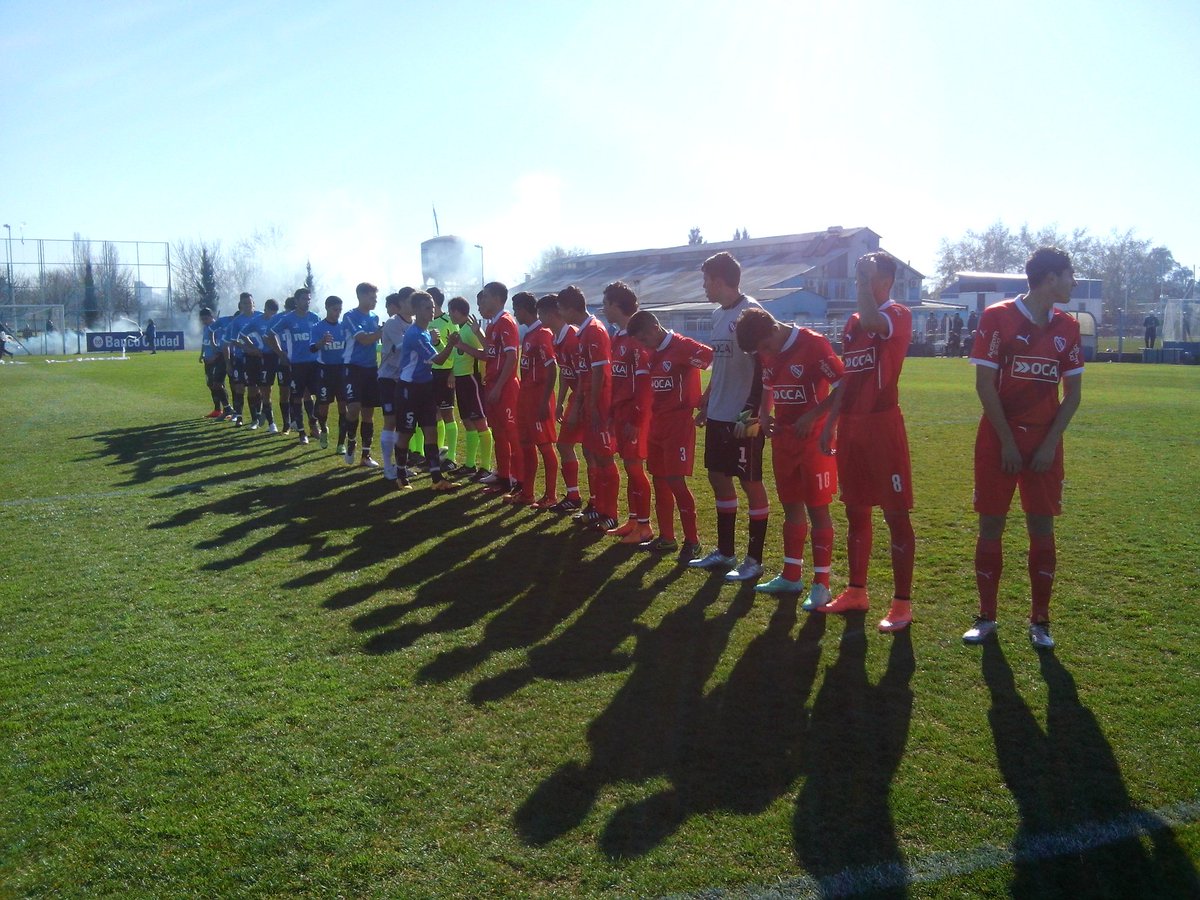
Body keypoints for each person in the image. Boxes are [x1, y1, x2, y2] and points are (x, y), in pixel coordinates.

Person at [963, 247, 1084, 650]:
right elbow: (984, 385)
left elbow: (1073, 394)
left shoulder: (1068, 326)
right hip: (999, 440)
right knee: (991, 525)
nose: (1074, 282)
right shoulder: (997, 317)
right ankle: (986, 617)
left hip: (1044, 446)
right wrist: (1009, 442)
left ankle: (1040, 621)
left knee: (1042, 527)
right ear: (1051, 278)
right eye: (1070, 275)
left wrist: (1049, 443)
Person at [817, 252, 915, 633]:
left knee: (895, 514)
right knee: (856, 510)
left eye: (867, 275)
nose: (860, 280)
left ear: (885, 281)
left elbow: (875, 320)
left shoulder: (896, 313)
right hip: (853, 428)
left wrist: (861, 282)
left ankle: (901, 604)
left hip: (883, 426)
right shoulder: (853, 323)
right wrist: (831, 423)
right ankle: (857, 591)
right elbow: (849, 378)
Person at [736, 306, 843, 608]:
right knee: (791, 507)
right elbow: (768, 388)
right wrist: (764, 415)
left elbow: (843, 385)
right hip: (783, 440)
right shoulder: (767, 350)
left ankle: (821, 584)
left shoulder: (814, 343)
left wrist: (814, 415)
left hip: (813, 441)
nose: (764, 353)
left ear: (773, 328)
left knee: (818, 509)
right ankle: (791, 574)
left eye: (765, 346)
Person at [687, 251, 770, 583]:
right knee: (718, 478)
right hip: (719, 413)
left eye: (706, 280)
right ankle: (725, 551)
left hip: (743, 416)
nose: (704, 286)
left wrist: (749, 416)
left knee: (751, 483)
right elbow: (720, 366)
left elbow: (766, 370)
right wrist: (707, 401)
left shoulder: (753, 314)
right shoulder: (716, 315)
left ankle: (755, 559)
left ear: (719, 281)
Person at [627, 310, 712, 559]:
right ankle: (667, 537)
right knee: (660, 479)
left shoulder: (682, 346)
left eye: (644, 339)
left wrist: (705, 400)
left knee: (676, 480)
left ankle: (693, 541)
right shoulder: (651, 354)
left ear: (655, 328)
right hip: (657, 423)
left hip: (678, 423)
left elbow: (716, 361)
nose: (643, 345)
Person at [558, 284, 619, 530]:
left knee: (604, 457)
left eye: (561, 309)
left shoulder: (594, 330)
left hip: (600, 404)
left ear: (571, 308)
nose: (561, 315)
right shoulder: (582, 332)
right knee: (593, 455)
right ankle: (599, 508)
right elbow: (584, 373)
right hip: (589, 402)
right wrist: (581, 402)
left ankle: (611, 513)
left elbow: (599, 373)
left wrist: (593, 405)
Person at [457, 282, 524, 497]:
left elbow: (512, 357)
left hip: (504, 387)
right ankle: (503, 475)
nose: (481, 301)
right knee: (499, 432)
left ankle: (518, 479)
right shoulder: (492, 325)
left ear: (496, 298)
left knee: (512, 434)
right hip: (493, 385)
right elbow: (489, 354)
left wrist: (500, 387)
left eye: (484, 297)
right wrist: (477, 335)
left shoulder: (505, 322)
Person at [602, 281, 654, 544]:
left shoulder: (639, 338)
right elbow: (617, 378)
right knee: (628, 465)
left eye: (605, 304)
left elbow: (644, 384)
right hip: (621, 411)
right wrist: (612, 412)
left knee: (635, 469)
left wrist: (636, 417)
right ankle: (633, 520)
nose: (603, 309)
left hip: (635, 414)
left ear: (615, 305)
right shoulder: (618, 336)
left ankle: (644, 526)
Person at [392, 291, 460, 491]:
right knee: (405, 432)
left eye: (432, 307)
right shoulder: (415, 334)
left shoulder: (423, 333)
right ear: (415, 310)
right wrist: (451, 343)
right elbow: (438, 359)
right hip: (409, 389)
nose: (430, 312)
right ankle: (401, 475)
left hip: (425, 387)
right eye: (425, 308)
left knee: (430, 430)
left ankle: (437, 479)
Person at [503, 293, 560, 506]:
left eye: (516, 309)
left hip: (538, 398)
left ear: (525, 309)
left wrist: (545, 401)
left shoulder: (543, 333)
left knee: (545, 446)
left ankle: (551, 495)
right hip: (525, 397)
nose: (515, 313)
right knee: (526, 444)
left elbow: (552, 368)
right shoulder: (528, 334)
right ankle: (527, 493)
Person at [537, 294, 584, 512]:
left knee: (591, 453)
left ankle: (593, 502)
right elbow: (567, 373)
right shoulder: (556, 338)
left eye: (541, 313)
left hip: (587, 395)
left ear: (552, 313)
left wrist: (576, 405)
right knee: (565, 445)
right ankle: (574, 496)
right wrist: (561, 401)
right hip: (577, 395)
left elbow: (585, 374)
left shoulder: (572, 336)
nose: (539, 318)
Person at [446, 295, 493, 480]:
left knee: (480, 422)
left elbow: (485, 354)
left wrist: (463, 345)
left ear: (457, 311)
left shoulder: (471, 329)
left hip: (472, 380)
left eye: (451, 311)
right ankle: (470, 464)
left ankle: (486, 466)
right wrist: (453, 373)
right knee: (467, 421)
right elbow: (459, 356)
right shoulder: (460, 329)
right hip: (461, 380)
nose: (450, 314)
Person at [268, 287, 322, 445]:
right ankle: (301, 432)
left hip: (314, 362)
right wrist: (280, 353)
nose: (307, 302)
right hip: (297, 364)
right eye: (304, 299)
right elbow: (271, 334)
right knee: (299, 396)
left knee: (320, 395)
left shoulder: (315, 317)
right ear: (297, 301)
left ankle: (313, 421)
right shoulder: (288, 319)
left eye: (309, 299)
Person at [340, 282, 384, 467]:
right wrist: (382, 331)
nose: (375, 300)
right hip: (353, 367)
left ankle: (366, 455)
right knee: (354, 408)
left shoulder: (375, 317)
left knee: (368, 412)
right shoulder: (350, 316)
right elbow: (364, 340)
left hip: (371, 369)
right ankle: (351, 442)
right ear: (361, 296)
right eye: (372, 297)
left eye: (376, 297)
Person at [427, 286, 459, 470]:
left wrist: (453, 373)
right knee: (433, 414)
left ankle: (451, 458)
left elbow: (455, 348)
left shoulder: (448, 321)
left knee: (447, 413)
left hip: (445, 372)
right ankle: (437, 453)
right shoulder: (423, 322)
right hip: (429, 372)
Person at [310, 296, 348, 450]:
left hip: (342, 371)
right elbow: (312, 348)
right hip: (325, 371)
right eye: (335, 310)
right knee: (323, 407)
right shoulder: (318, 327)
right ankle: (324, 428)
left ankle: (341, 443)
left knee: (343, 407)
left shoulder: (344, 326)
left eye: (340, 310)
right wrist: (321, 342)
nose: (337, 313)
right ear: (327, 308)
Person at [241, 298, 280, 432]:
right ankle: (257, 420)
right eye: (271, 312)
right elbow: (242, 335)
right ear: (265, 309)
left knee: (267, 390)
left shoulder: (278, 320)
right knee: (255, 389)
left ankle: (269, 419)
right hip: (258, 358)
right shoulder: (256, 321)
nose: (273, 316)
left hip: (274, 358)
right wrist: (253, 347)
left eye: (275, 313)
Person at [222, 293, 257, 426]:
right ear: (240, 305)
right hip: (240, 358)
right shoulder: (236, 321)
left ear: (253, 303)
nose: (247, 305)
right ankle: (239, 416)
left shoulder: (260, 316)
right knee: (240, 388)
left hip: (257, 358)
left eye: (249, 303)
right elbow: (231, 341)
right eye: (244, 303)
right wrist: (228, 363)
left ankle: (255, 417)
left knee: (255, 389)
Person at [198, 307, 232, 418]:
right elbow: (205, 342)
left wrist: (215, 356)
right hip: (207, 360)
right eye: (202, 319)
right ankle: (217, 410)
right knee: (210, 384)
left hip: (217, 360)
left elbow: (221, 345)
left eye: (206, 318)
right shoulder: (205, 328)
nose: (204, 321)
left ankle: (227, 407)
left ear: (211, 317)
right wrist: (202, 354)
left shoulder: (217, 328)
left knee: (218, 384)